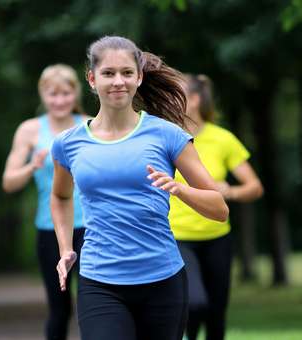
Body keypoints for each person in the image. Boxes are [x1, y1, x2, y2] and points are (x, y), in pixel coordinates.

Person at [50, 36, 229, 340]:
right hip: (99, 280)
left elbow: (219, 209)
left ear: (139, 77)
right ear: (92, 79)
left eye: (126, 72)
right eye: (108, 73)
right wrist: (66, 247)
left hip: (162, 280)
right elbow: (60, 195)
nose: (118, 81)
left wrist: (179, 189)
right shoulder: (68, 144)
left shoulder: (168, 136)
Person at [169, 74, 264, 340]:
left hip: (217, 237)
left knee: (216, 314)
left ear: (196, 99)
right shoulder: (166, 136)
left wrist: (229, 190)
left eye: (179, 94)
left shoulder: (222, 139)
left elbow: (254, 186)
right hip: (178, 238)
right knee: (196, 303)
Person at [2, 64, 87, 340]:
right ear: (43, 95)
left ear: (75, 94)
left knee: (95, 305)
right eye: (53, 94)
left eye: (66, 93)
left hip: (92, 227)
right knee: (60, 308)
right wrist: (31, 166)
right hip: (50, 229)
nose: (60, 100)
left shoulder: (89, 125)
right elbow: (8, 182)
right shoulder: (29, 131)